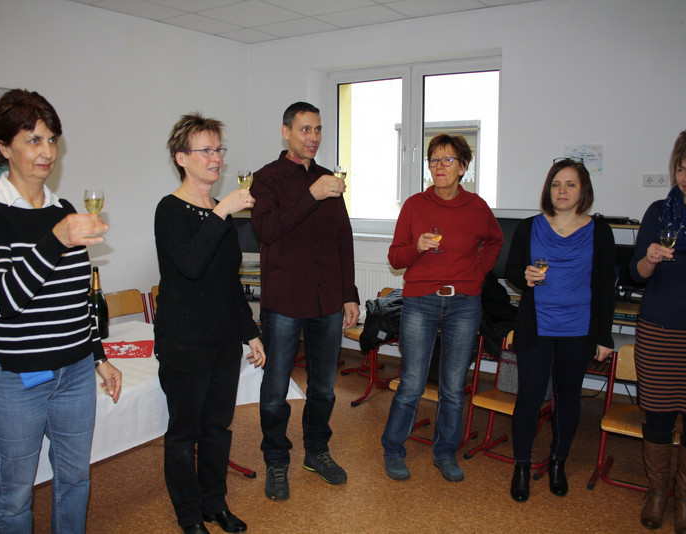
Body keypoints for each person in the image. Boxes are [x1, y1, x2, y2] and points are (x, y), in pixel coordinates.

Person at [0, 89, 122, 533]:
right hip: (15, 375)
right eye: (33, 140)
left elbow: (79, 297)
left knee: (74, 480)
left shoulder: (64, 210)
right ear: (3, 147)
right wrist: (55, 240)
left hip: (74, 371)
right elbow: (1, 301)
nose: (47, 152)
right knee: (13, 495)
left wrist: (98, 356)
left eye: (51, 140)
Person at [154, 113, 266, 534]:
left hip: (221, 340)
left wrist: (249, 332)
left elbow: (225, 282)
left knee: (217, 427)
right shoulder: (170, 210)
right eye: (206, 150)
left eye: (219, 149)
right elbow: (192, 266)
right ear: (182, 158)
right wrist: (222, 211)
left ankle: (213, 503)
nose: (216, 157)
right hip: (184, 341)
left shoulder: (220, 212)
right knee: (184, 435)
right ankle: (188, 516)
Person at [250, 102, 359, 501]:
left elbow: (342, 240)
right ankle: (276, 461)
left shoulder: (331, 180)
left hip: (327, 300)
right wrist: (311, 195)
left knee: (325, 389)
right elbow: (265, 230)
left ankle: (317, 451)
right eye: (304, 129)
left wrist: (349, 295)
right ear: (286, 132)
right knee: (276, 389)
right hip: (283, 302)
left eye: (317, 130)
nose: (313, 137)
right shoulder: (266, 180)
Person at [382, 133, 503, 482]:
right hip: (420, 301)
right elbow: (395, 256)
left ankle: (445, 451)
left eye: (447, 160)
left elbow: (495, 241)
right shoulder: (415, 205)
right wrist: (416, 248)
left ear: (463, 166)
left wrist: (477, 274)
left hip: (464, 304)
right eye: (434, 160)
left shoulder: (477, 207)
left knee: (452, 385)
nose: (439, 166)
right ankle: (393, 448)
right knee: (412, 382)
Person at [506, 157, 615, 503]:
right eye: (556, 184)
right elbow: (511, 271)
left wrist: (604, 335)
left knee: (568, 398)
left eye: (570, 184)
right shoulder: (529, 227)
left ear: (583, 190)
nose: (562, 190)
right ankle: (521, 464)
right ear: (548, 189)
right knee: (529, 396)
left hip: (579, 328)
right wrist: (524, 276)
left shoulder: (600, 230)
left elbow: (605, 287)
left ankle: (558, 462)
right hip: (537, 325)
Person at [631, 125, 686, 534]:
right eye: (682, 169)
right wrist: (649, 258)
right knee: (658, 419)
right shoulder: (659, 213)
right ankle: (658, 493)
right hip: (658, 331)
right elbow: (637, 274)